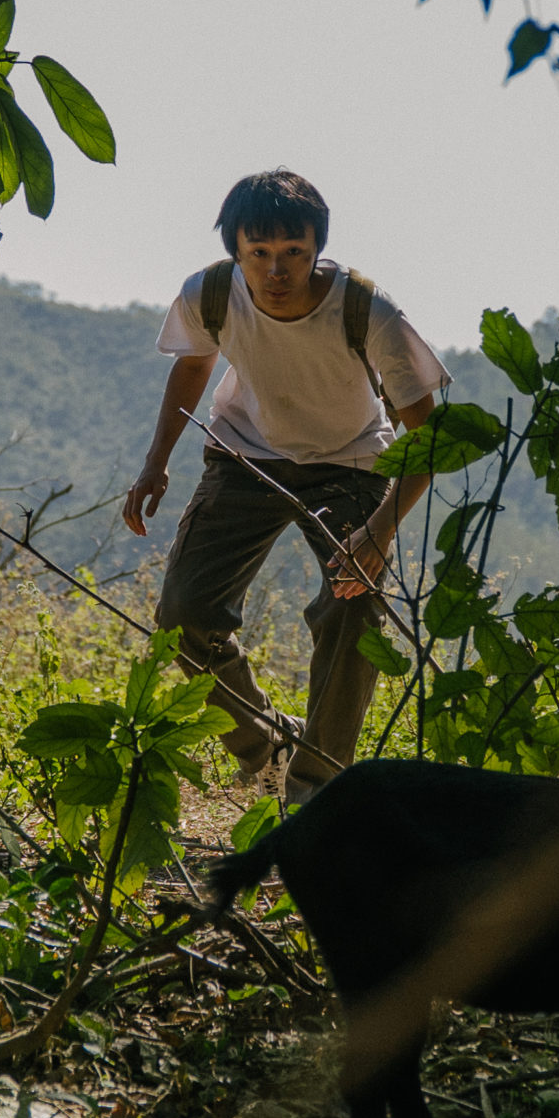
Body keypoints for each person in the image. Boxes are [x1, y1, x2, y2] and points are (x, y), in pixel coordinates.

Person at [121, 170, 451, 804]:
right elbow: (194, 365)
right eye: (260, 254)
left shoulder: (368, 311)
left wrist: (379, 530)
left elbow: (430, 434)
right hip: (246, 454)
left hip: (352, 462)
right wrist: (156, 462)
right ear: (235, 251)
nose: (277, 271)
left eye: (294, 253)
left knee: (354, 613)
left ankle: (316, 789)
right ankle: (267, 746)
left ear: (316, 249)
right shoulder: (210, 295)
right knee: (185, 615)